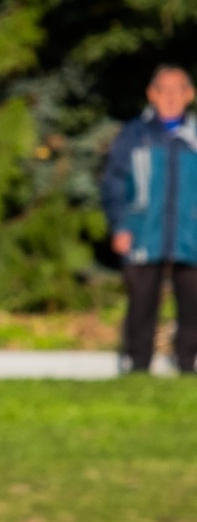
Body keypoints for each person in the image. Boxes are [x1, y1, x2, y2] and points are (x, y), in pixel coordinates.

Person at [103, 64, 197, 375]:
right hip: (144, 232)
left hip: (190, 234)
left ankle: (188, 363)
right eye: (164, 90)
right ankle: (138, 366)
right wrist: (120, 225)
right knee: (142, 301)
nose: (171, 97)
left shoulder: (194, 137)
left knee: (193, 304)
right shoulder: (135, 135)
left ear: (189, 95)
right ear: (151, 95)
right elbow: (115, 182)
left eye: (177, 90)